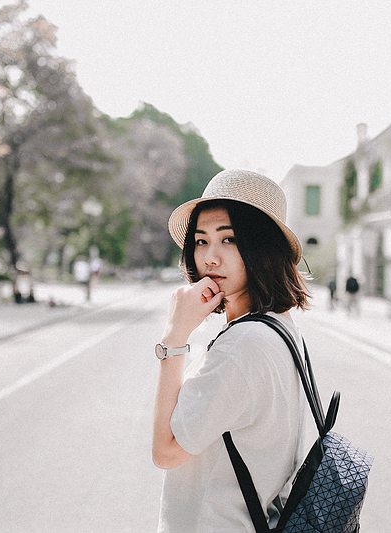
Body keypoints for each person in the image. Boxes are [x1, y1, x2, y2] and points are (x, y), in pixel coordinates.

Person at [152, 169, 312, 532]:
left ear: (263, 248)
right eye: (201, 240)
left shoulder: (245, 345)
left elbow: (166, 450)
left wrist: (174, 336)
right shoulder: (280, 327)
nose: (209, 258)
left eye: (229, 240)